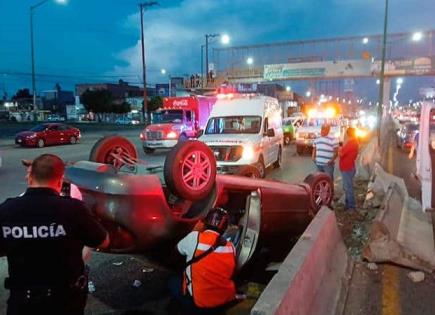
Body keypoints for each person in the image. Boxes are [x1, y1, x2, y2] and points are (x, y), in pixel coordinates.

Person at [0, 154, 109, 315]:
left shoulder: (6, 210)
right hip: (65, 301)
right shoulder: (74, 209)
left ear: (30, 178)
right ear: (60, 181)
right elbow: (103, 241)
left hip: (22, 302)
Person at [169, 207, 237, 314]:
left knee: (172, 281)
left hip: (201, 304)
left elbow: (176, 251)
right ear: (224, 228)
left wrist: (195, 230)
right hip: (224, 301)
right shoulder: (231, 247)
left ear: (204, 223)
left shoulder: (194, 237)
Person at [339, 127, 360, 211]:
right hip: (348, 167)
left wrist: (340, 148)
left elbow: (341, 153)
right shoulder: (354, 142)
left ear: (347, 134)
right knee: (346, 187)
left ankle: (351, 206)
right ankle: (348, 205)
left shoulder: (351, 143)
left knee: (348, 188)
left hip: (347, 168)